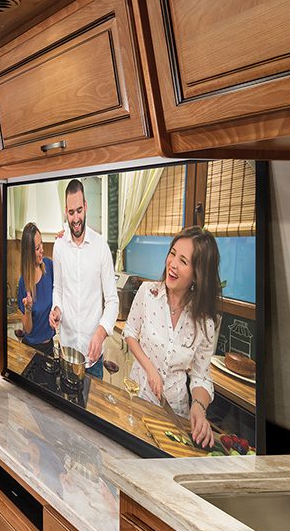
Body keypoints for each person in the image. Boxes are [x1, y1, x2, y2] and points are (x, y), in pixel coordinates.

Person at [123, 226, 221, 448]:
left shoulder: (204, 322)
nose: (172, 264)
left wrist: (199, 407)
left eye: (183, 261)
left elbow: (201, 377)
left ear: (198, 274)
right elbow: (130, 333)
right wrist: (150, 369)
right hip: (138, 399)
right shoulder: (148, 293)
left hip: (175, 413)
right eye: (172, 253)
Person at [48, 179, 118, 377]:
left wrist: (101, 332)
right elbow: (58, 288)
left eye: (79, 210)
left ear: (86, 206)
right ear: (66, 212)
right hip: (67, 352)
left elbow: (112, 300)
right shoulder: (59, 246)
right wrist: (57, 309)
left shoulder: (101, 247)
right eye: (71, 212)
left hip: (92, 357)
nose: (76, 218)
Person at [16, 223, 55, 354]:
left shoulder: (49, 267)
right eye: (37, 248)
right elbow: (28, 330)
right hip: (31, 350)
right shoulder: (24, 283)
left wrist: (65, 238)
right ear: (28, 253)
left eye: (41, 244)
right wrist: (28, 310)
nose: (42, 250)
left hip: (49, 346)